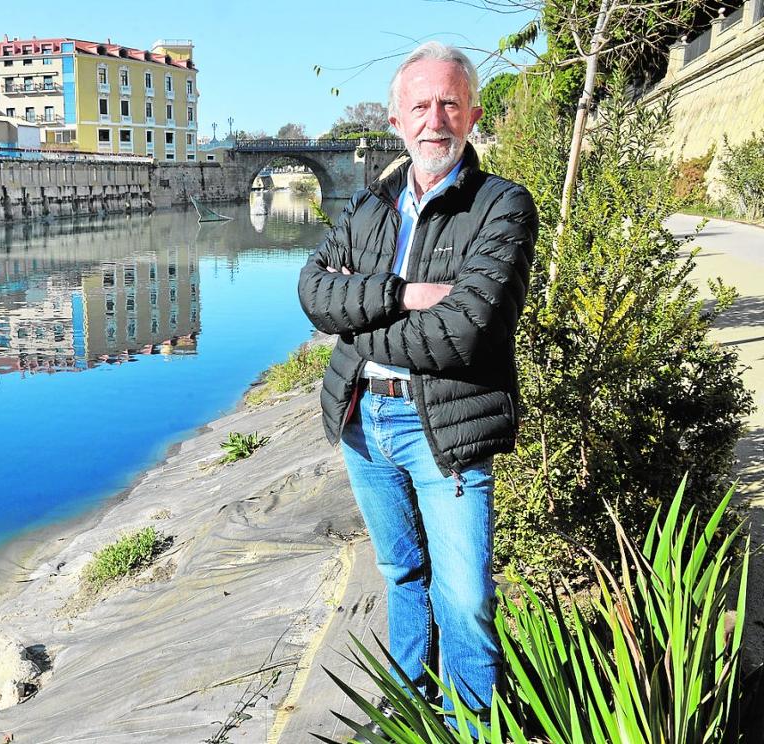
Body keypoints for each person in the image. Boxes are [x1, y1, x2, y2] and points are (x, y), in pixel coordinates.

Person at [296, 41, 539, 717]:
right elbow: (313, 291)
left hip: (445, 428)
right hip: (361, 420)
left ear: (472, 114)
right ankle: (408, 716)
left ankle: (470, 725)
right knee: (402, 575)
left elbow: (466, 333)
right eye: (420, 105)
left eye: (449, 104)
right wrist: (404, 294)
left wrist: (355, 313)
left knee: (464, 597)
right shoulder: (369, 205)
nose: (435, 119)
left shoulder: (501, 206)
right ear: (397, 120)